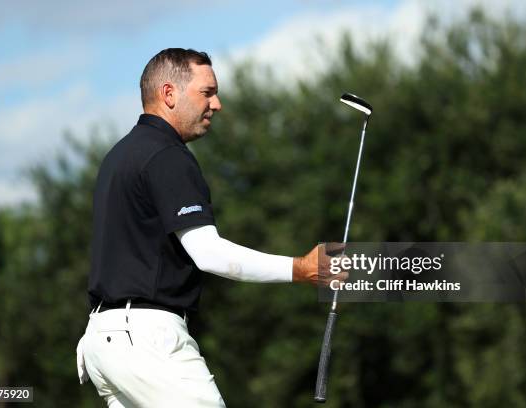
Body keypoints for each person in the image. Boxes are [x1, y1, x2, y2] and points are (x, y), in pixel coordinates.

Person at [76, 48, 347, 407]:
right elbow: (209, 254)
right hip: (145, 339)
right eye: (207, 92)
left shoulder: (119, 155)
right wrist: (302, 268)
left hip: (103, 342)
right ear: (169, 94)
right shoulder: (167, 156)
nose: (216, 104)